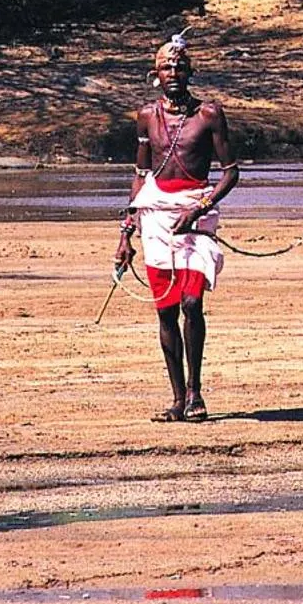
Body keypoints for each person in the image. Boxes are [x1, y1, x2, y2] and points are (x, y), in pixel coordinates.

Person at [115, 33, 239, 423]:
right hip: (154, 216)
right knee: (166, 310)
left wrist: (200, 207)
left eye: (180, 66)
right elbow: (140, 175)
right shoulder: (146, 116)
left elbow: (231, 174)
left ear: (191, 71)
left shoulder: (209, 115)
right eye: (167, 66)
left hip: (195, 215)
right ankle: (175, 398)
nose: (174, 72)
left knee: (191, 303)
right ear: (156, 74)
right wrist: (125, 232)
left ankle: (195, 392)